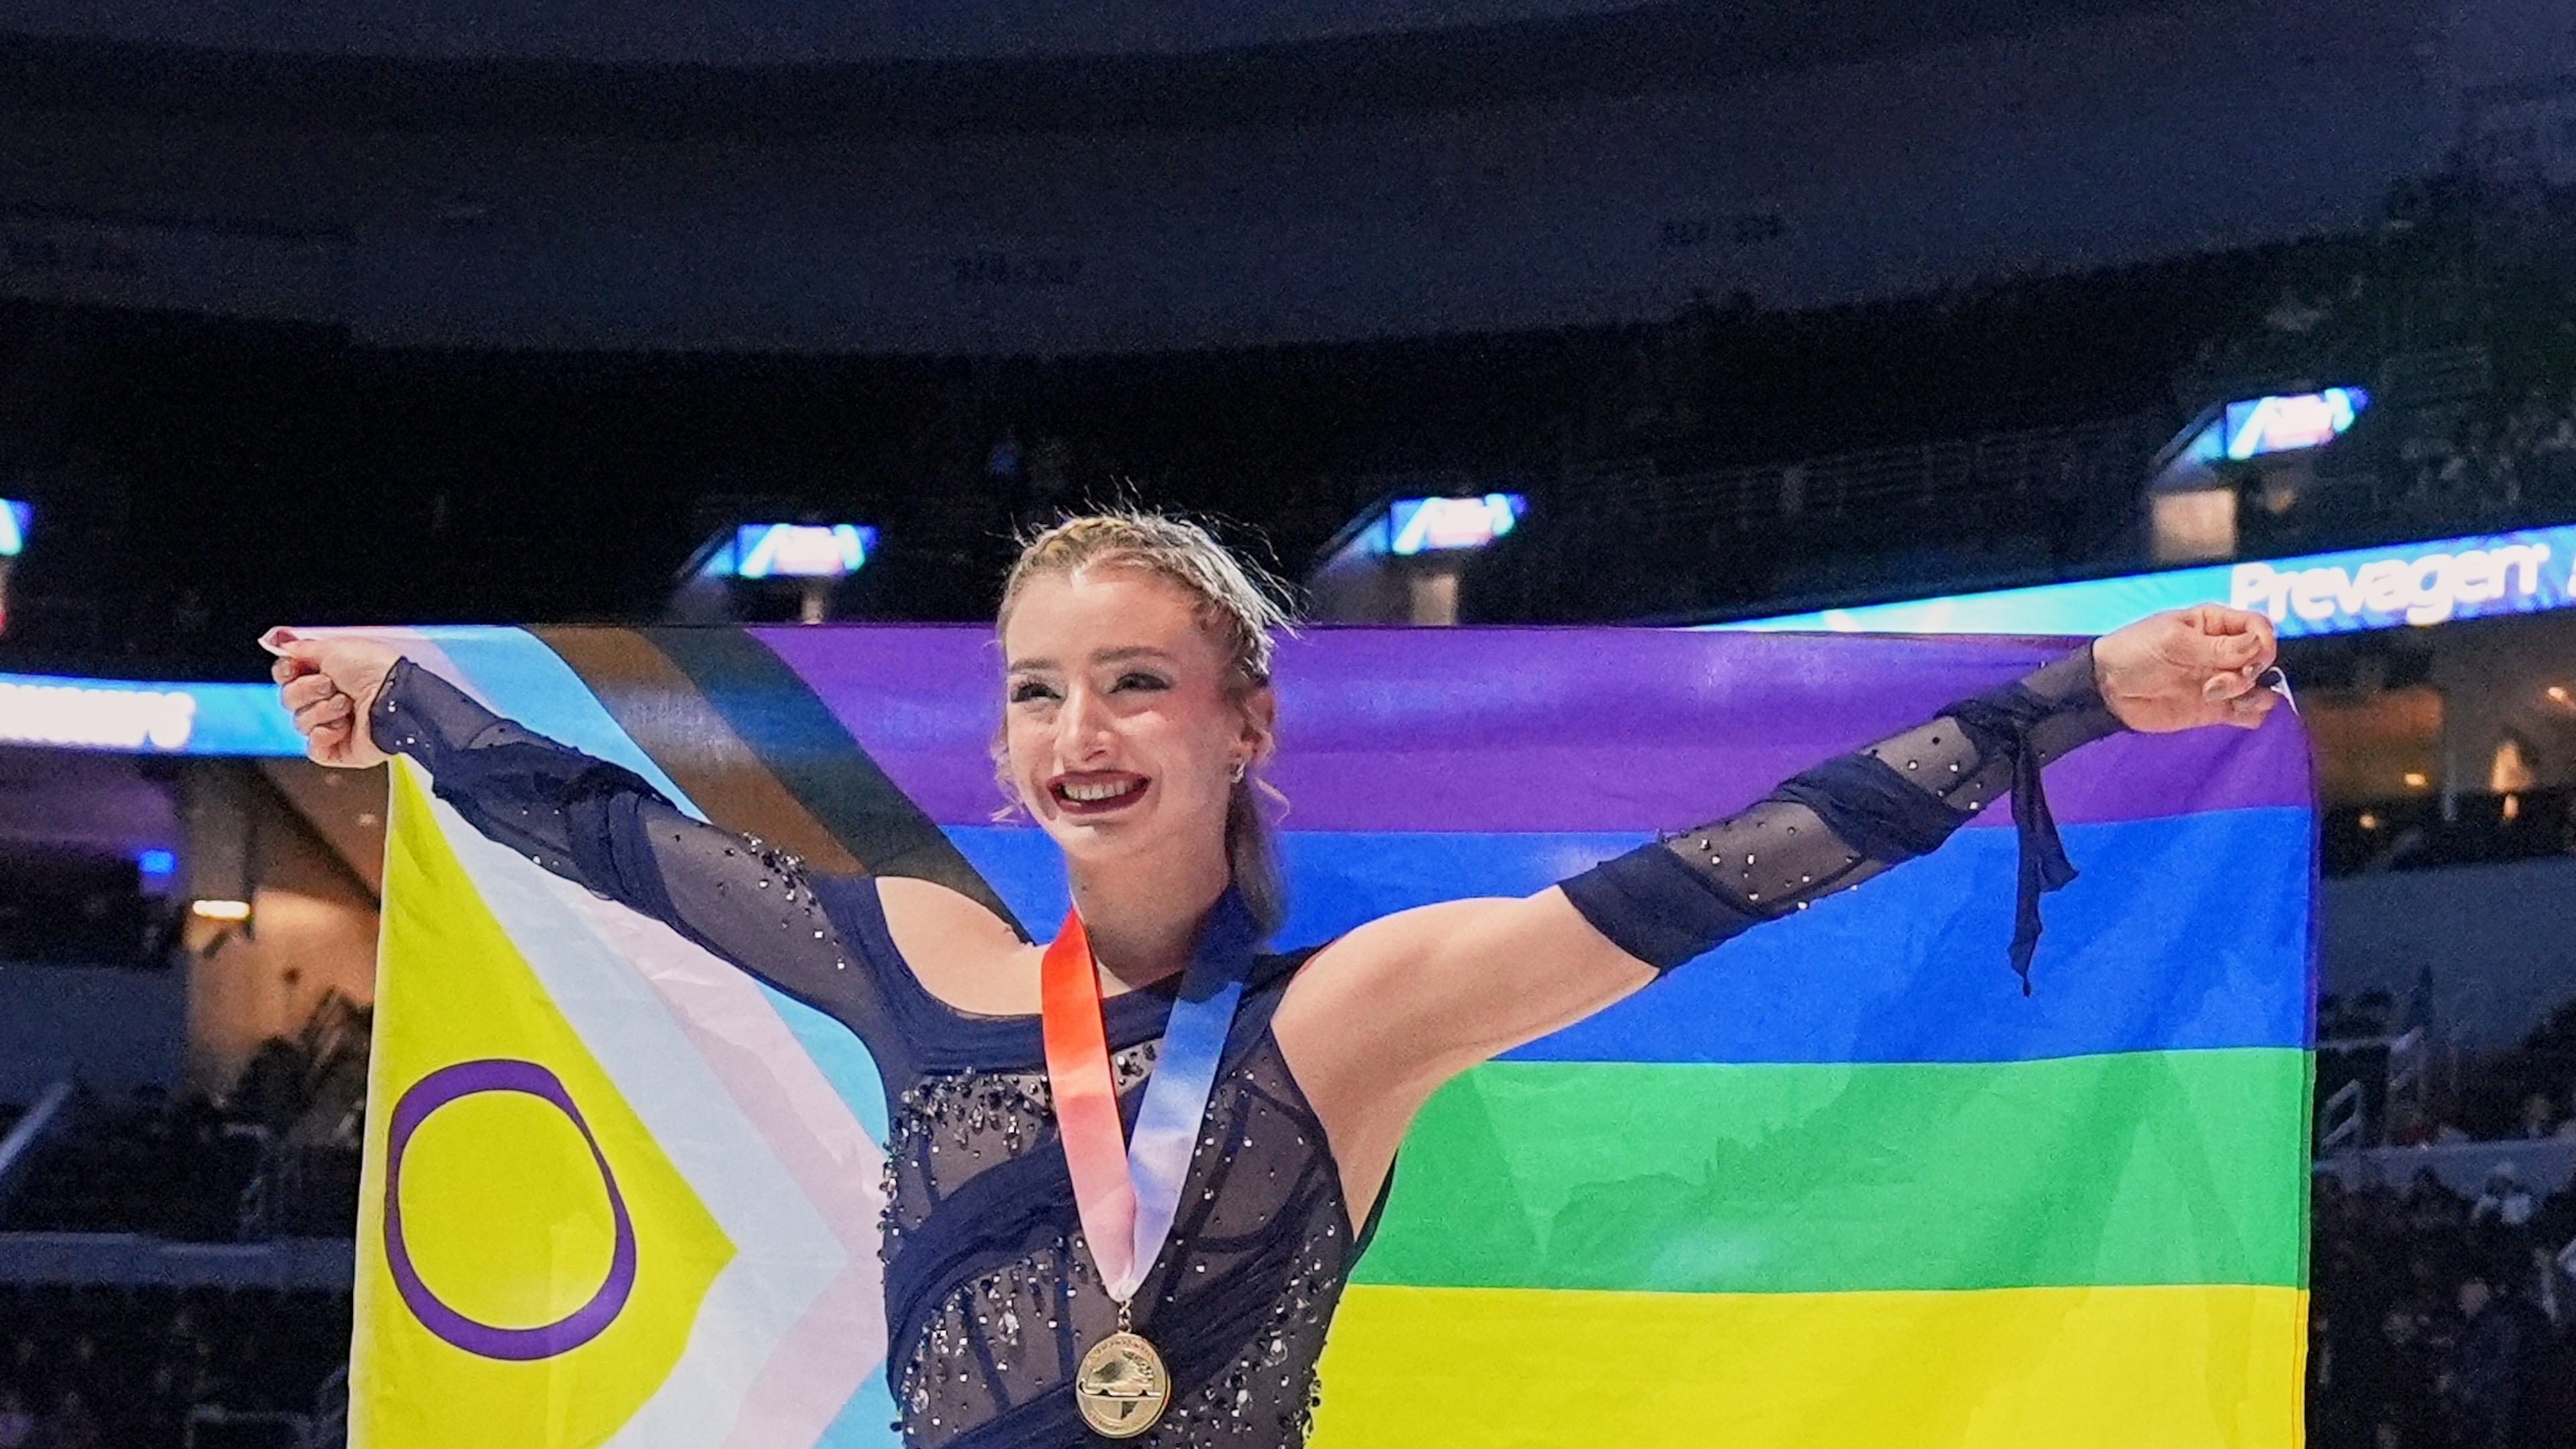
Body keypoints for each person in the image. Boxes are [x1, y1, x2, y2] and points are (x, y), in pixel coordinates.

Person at [268, 511, 2280, 1448]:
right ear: (997, 749)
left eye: (1137, 682)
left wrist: (2075, 698)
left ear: (1244, 725)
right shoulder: (921, 966)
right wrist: (409, 706)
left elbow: (1732, 874)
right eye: (1039, 691)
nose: (1082, 729)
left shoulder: (1360, 1013)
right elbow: (624, 844)